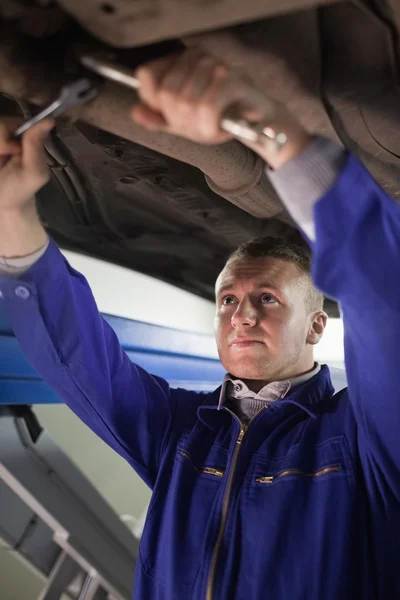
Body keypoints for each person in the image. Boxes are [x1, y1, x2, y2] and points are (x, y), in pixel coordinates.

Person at [0, 49, 399, 600]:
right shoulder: (182, 431)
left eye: (266, 297)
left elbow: (385, 306)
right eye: (228, 300)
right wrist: (12, 215)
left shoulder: (358, 436)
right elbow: (80, 360)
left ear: (315, 327)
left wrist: (274, 131)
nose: (242, 314)